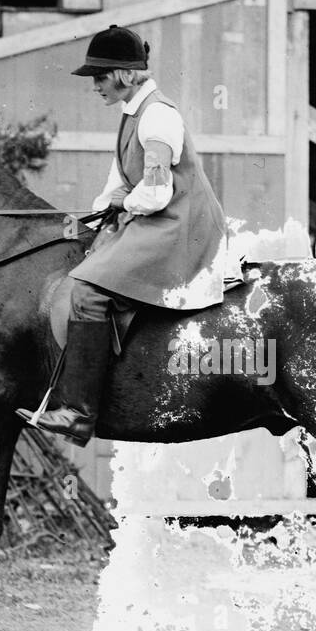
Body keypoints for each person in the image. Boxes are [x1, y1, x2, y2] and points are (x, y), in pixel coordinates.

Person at [17, 24, 231, 447]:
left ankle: (79, 414)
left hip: (180, 228)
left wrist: (123, 206)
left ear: (126, 74)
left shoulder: (158, 116)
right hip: (156, 219)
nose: (95, 85)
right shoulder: (131, 113)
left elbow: (155, 192)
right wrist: (103, 209)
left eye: (100, 76)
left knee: (86, 292)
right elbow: (120, 180)